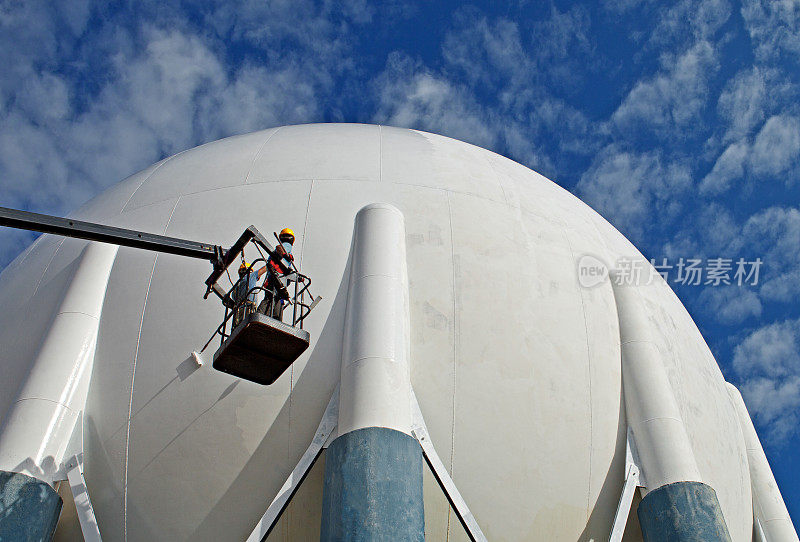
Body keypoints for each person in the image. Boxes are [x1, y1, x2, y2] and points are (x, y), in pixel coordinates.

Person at [259, 228, 297, 320]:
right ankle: (261, 317)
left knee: (276, 299)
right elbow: (279, 248)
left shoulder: (275, 255)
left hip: (277, 281)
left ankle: (271, 318)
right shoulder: (287, 245)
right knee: (270, 299)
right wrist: (287, 256)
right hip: (275, 279)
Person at [232, 260, 267, 327]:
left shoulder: (236, 286)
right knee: (249, 327)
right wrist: (273, 261)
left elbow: (233, 298)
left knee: (239, 329)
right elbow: (265, 268)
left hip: (239, 312)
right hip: (248, 308)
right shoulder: (250, 276)